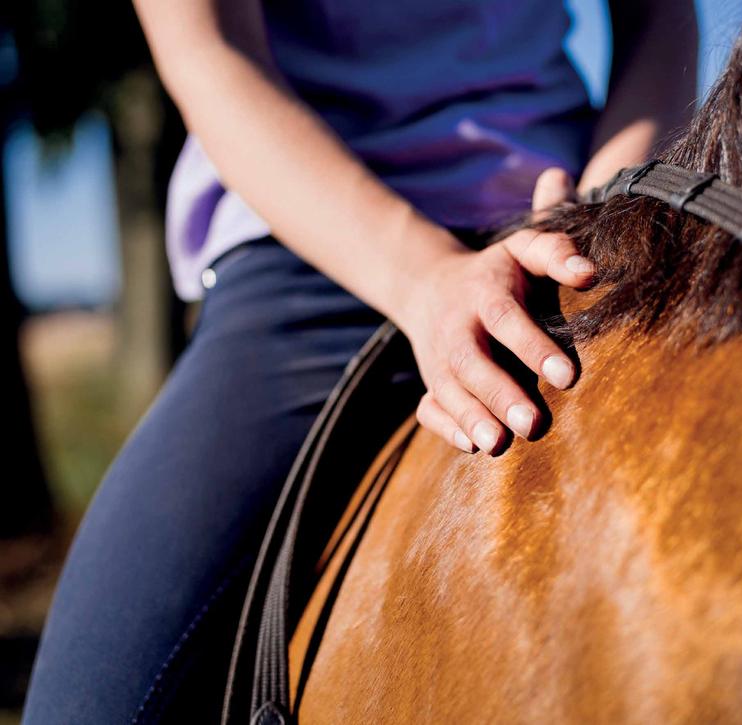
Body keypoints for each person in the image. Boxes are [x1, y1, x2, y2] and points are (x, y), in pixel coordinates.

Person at [23, 0, 697, 721]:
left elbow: (659, 15)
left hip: (565, 230)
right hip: (316, 253)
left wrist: (598, 208)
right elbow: (207, 48)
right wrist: (424, 278)